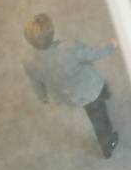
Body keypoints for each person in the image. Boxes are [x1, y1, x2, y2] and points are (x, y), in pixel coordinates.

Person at [23, 14, 119, 158]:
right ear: (52, 33)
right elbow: (92, 54)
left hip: (69, 95)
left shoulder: (30, 63)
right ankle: (108, 144)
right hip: (90, 89)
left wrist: (43, 97)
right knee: (99, 119)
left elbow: (36, 83)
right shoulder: (69, 47)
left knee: (96, 103)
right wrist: (111, 46)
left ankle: (104, 94)